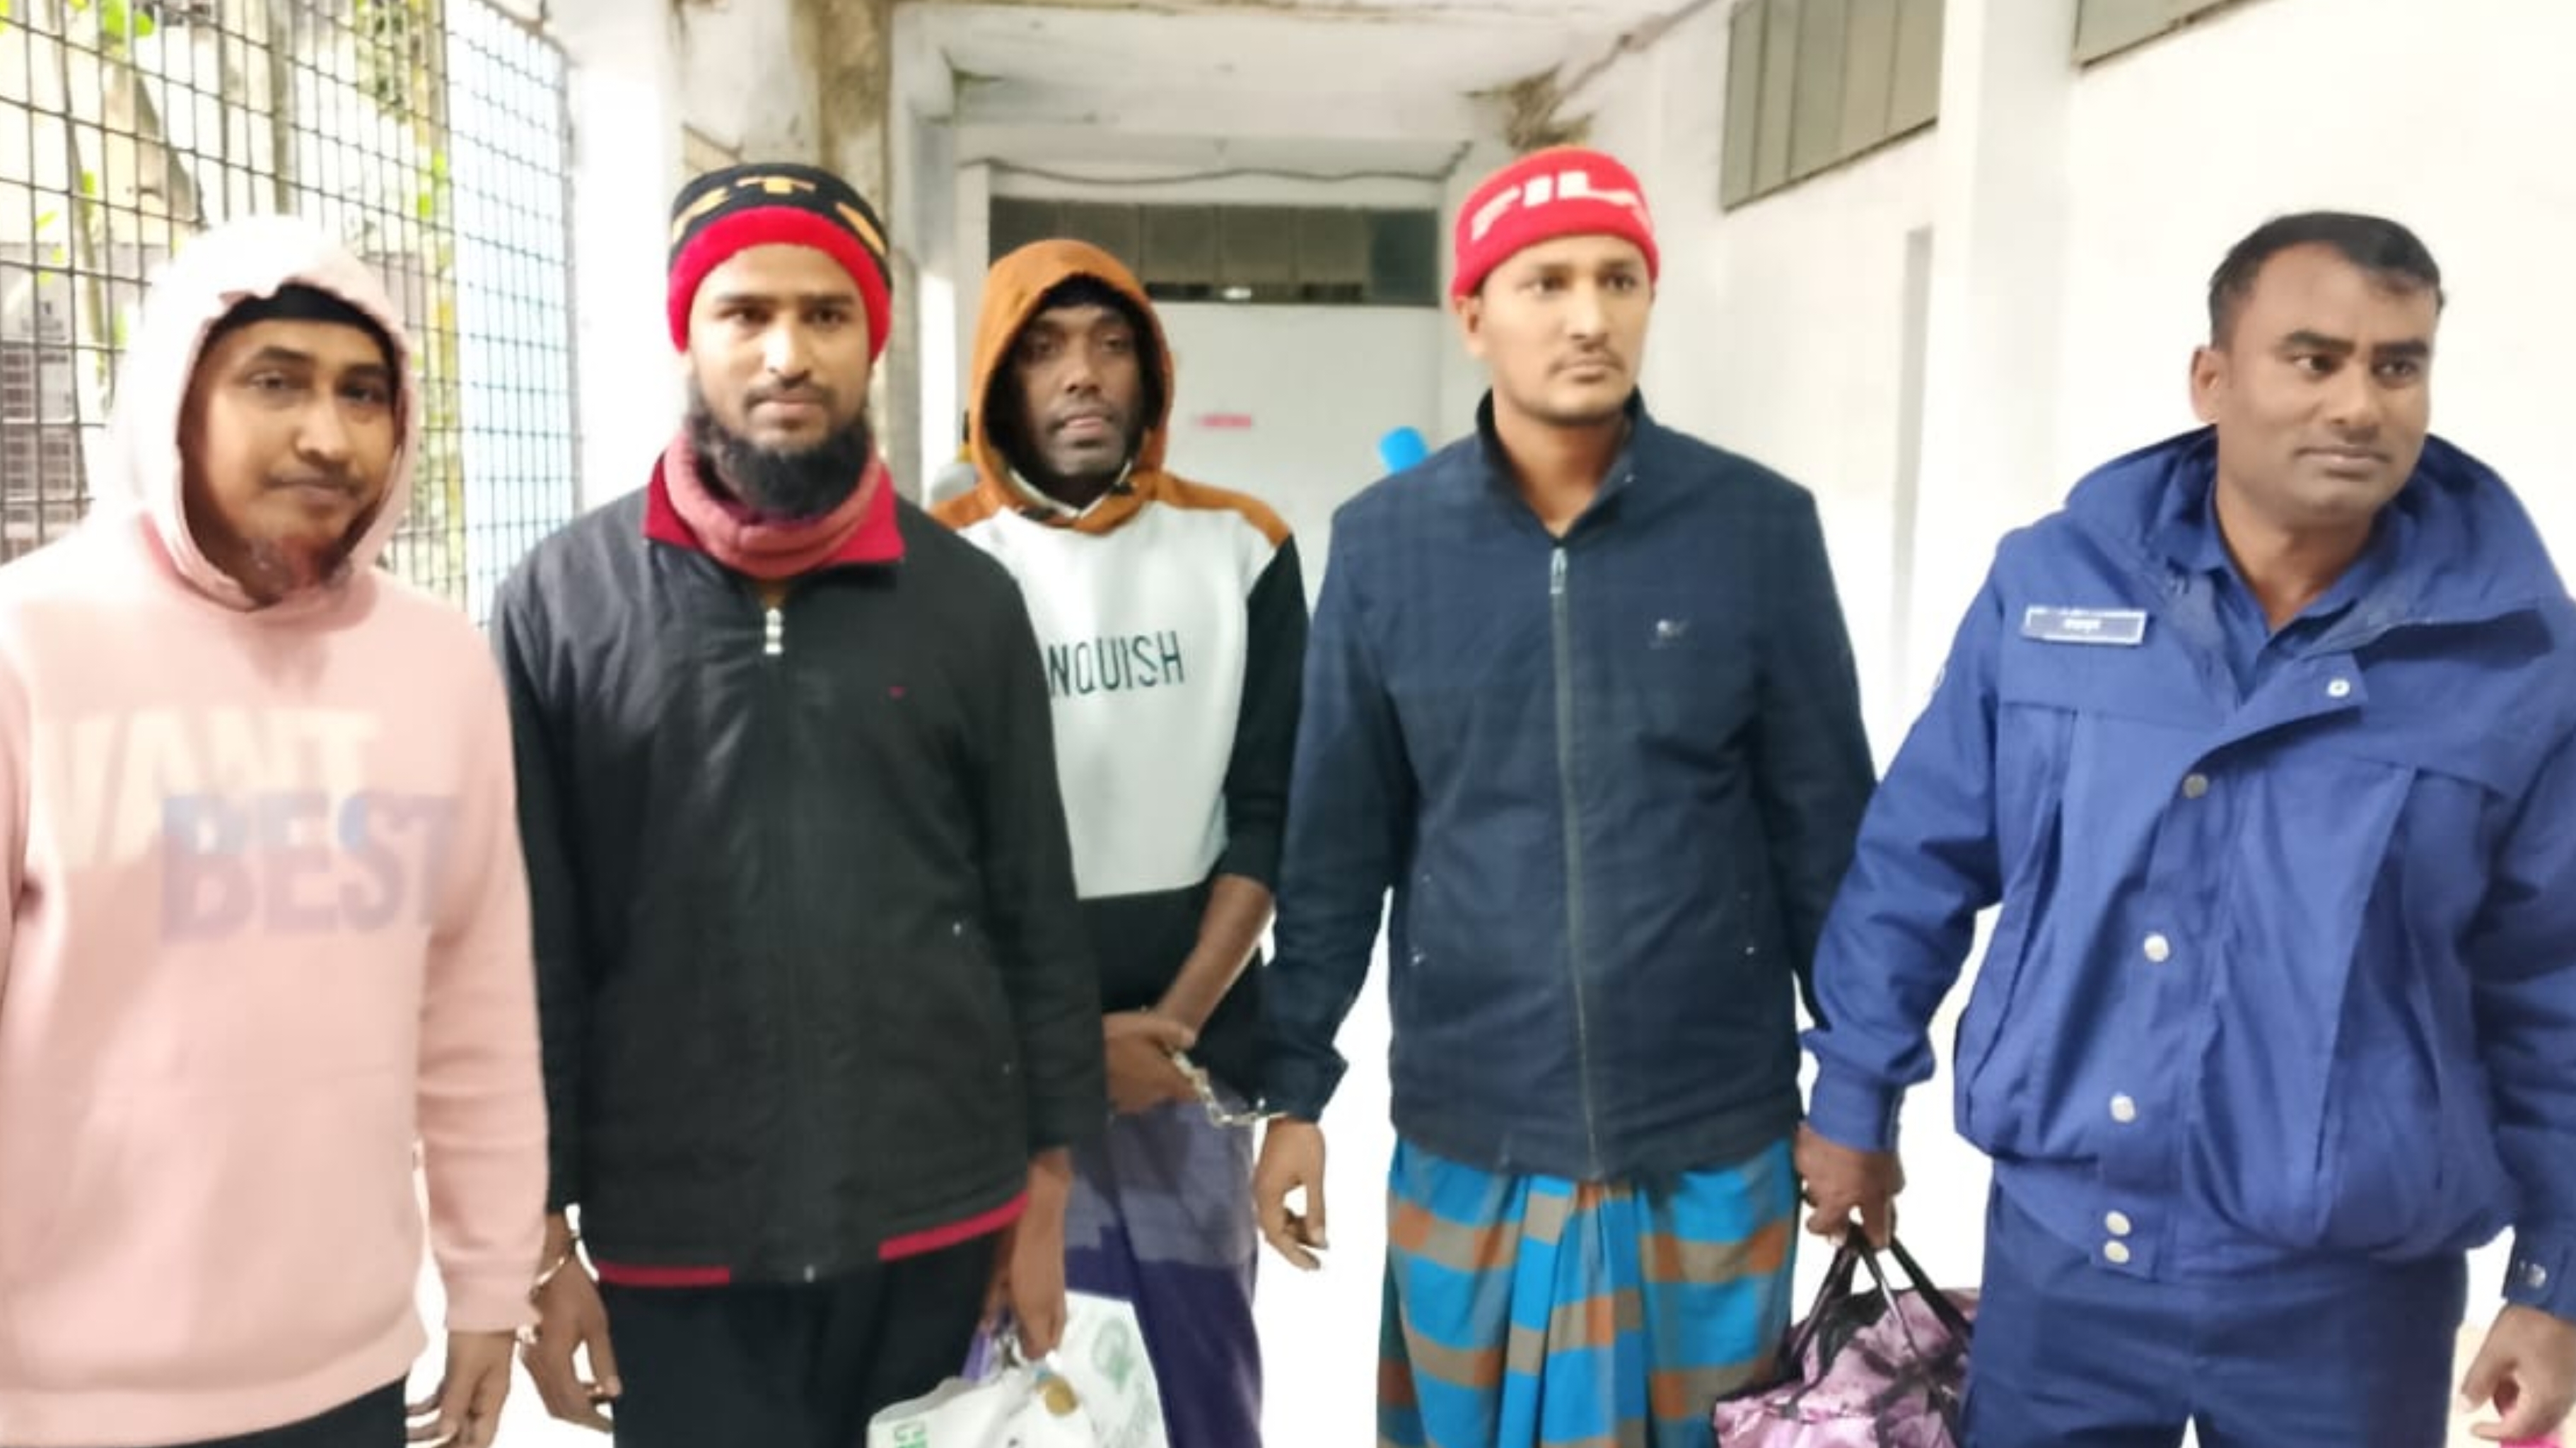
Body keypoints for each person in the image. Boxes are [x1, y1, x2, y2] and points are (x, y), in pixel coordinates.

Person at [1797, 211, 2576, 1447]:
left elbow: (2554, 978)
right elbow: (1918, 858)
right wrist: (1854, 1097)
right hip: (2063, 1272)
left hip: (2352, 1305)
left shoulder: (2513, 655)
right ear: (2212, 380)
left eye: (2398, 366)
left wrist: (2556, 1279)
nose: (2359, 405)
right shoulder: (2054, 588)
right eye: (2313, 360)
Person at [1252, 146, 1877, 1447]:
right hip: (1473, 1131)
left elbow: (1826, 834)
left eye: (1618, 279)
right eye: (1546, 283)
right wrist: (1293, 1090)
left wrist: (1860, 1097)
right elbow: (1335, 847)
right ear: (1473, 314)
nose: (1589, 316)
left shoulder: (1755, 529)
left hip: (1709, 1135)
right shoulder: (1384, 545)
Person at [494, 164, 1104, 1448]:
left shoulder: (967, 603)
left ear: (870, 340)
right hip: (674, 1241)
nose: (787, 353)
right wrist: (539, 1239)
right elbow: (527, 944)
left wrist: (1046, 1190)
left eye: (826, 315)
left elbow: (1035, 909)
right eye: (746, 313)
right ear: (689, 333)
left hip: (937, 1223)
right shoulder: (562, 605)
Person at [0, 216, 546, 1447]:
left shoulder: (438, 666)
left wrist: (489, 1286)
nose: (328, 436)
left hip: (349, 1374)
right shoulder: (28, 647)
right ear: (174, 405)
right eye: (275, 382)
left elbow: (476, 1012)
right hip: (55, 1399)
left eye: (363, 394)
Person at [936, 239, 1307, 1447]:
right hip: (989, 1077)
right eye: (1044, 349)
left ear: (1150, 373)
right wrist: (1049, 1053)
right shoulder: (937, 561)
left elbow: (1268, 814)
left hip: (1187, 1067)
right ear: (999, 380)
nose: (1082, 375)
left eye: (1110, 346)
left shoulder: (1244, 546)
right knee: (1014, 1389)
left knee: (1195, 1381)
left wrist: (1175, 1029)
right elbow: (924, 847)